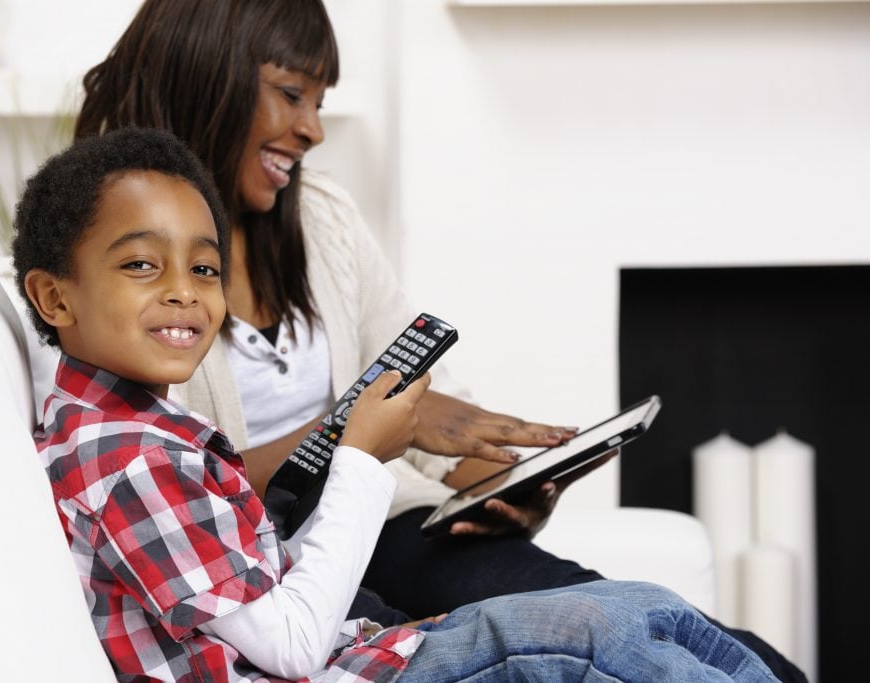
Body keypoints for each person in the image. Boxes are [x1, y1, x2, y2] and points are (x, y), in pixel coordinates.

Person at [71, 2, 807, 682]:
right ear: (207, 74)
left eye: (321, 103)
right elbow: (179, 475)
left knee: (684, 634)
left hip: (396, 525)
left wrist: (491, 487)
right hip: (281, 564)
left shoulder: (320, 218)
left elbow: (418, 409)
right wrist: (356, 432)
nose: (312, 130)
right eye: (291, 93)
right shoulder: (123, 276)